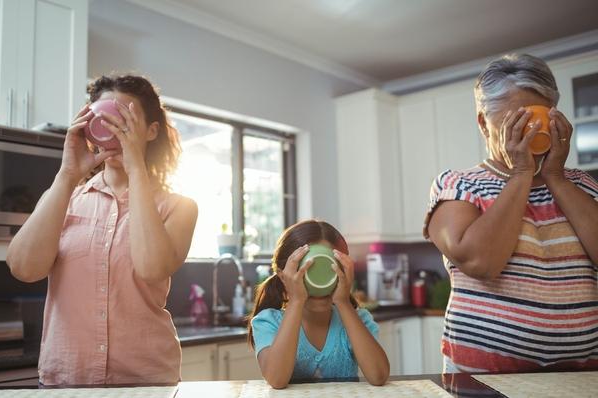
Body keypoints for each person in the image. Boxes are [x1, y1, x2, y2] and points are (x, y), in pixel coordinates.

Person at [6, 74, 198, 385]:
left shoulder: (179, 207)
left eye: (125, 118)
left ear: (151, 130)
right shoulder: (62, 198)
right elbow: (24, 268)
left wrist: (135, 165)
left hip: (146, 381)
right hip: (67, 380)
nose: (114, 127)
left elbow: (152, 268)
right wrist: (68, 175)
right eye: (104, 118)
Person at [424, 53, 598, 373]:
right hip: (483, 379)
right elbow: (481, 262)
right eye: (514, 123)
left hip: (580, 375)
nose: (528, 133)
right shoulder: (458, 184)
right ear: (483, 123)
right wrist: (521, 174)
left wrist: (555, 177)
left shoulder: (580, 184)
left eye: (537, 120)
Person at [248, 219, 389, 389]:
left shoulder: (357, 320)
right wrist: (296, 301)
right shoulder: (268, 322)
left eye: (330, 269)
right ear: (283, 277)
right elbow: (276, 379)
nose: (319, 283)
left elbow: (378, 375)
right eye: (305, 270)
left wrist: (343, 302)